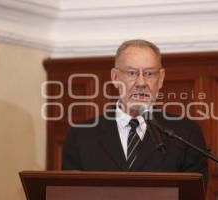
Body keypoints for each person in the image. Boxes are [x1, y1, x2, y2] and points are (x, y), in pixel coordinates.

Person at [62, 39, 208, 187]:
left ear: (161, 78)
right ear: (115, 77)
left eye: (149, 74)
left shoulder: (186, 134)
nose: (141, 83)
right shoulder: (81, 135)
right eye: (132, 73)